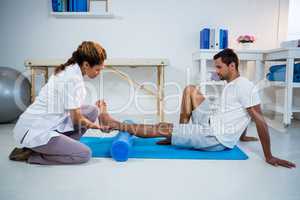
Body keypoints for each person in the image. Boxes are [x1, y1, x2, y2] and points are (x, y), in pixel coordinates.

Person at [98, 48, 296, 168]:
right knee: (191, 90)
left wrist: (268, 156)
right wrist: (241, 136)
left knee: (160, 127)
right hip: (211, 119)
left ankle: (114, 124)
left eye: (219, 67)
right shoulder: (234, 84)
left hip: (214, 135)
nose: (216, 71)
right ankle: (179, 134)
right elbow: (240, 113)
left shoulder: (245, 86)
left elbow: (258, 119)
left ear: (232, 66)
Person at [9, 41, 109, 165]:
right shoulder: (72, 79)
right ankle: (34, 155)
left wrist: (99, 113)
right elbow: (76, 120)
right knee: (84, 154)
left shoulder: (71, 69)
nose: (98, 73)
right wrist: (98, 127)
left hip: (48, 123)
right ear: (86, 64)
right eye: (97, 69)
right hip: (34, 132)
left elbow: (74, 111)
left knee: (92, 111)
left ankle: (61, 148)